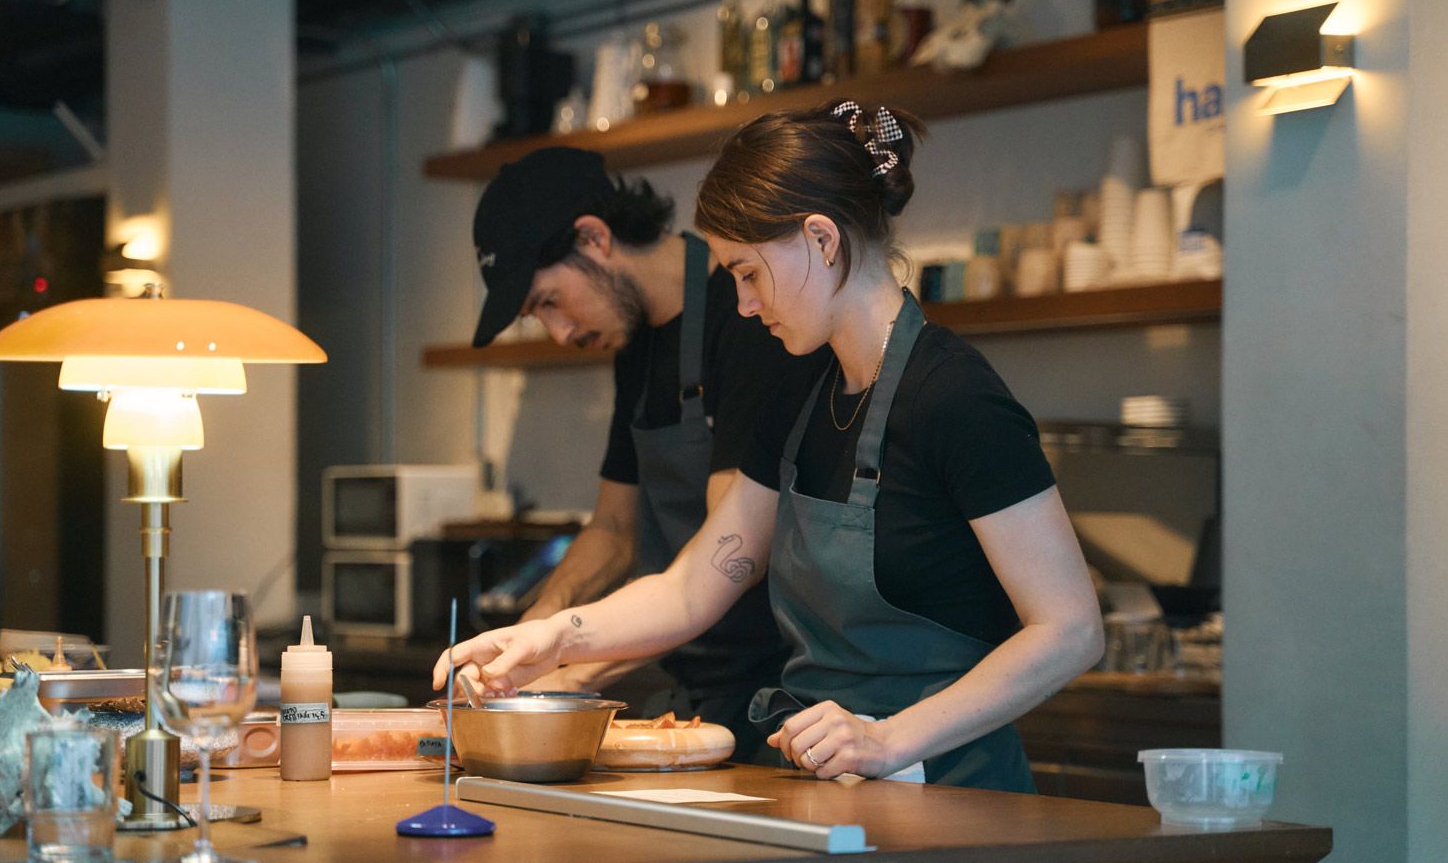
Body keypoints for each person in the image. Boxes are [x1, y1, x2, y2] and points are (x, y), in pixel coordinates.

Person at [441, 105, 1103, 790]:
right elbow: (694, 586)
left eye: (748, 273)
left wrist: (886, 738)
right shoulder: (799, 393)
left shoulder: (955, 398)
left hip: (954, 799)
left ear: (820, 239)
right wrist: (555, 637)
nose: (745, 304)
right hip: (830, 791)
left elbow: (1071, 630)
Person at [468, 147, 827, 763]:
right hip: (691, 686)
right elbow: (613, 529)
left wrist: (569, 671)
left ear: (595, 238)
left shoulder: (745, 322)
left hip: (781, 701)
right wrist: (538, 625)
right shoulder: (636, 342)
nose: (559, 333)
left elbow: (717, 562)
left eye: (549, 300)